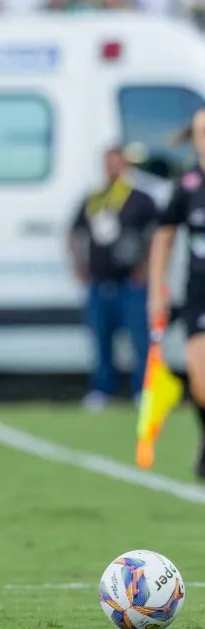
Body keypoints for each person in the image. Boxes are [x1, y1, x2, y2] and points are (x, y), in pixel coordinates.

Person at [70, 146, 155, 411]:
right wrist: (78, 264)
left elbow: (155, 236)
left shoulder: (139, 199)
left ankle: (142, 389)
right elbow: (75, 232)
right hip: (100, 281)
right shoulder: (95, 198)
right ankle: (102, 389)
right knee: (100, 338)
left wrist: (146, 267)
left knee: (139, 339)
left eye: (117, 164)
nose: (112, 169)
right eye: (108, 164)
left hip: (130, 282)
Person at [149, 106, 205, 478]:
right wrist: (158, 291)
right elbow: (164, 238)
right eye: (200, 133)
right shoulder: (188, 187)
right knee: (200, 381)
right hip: (199, 294)